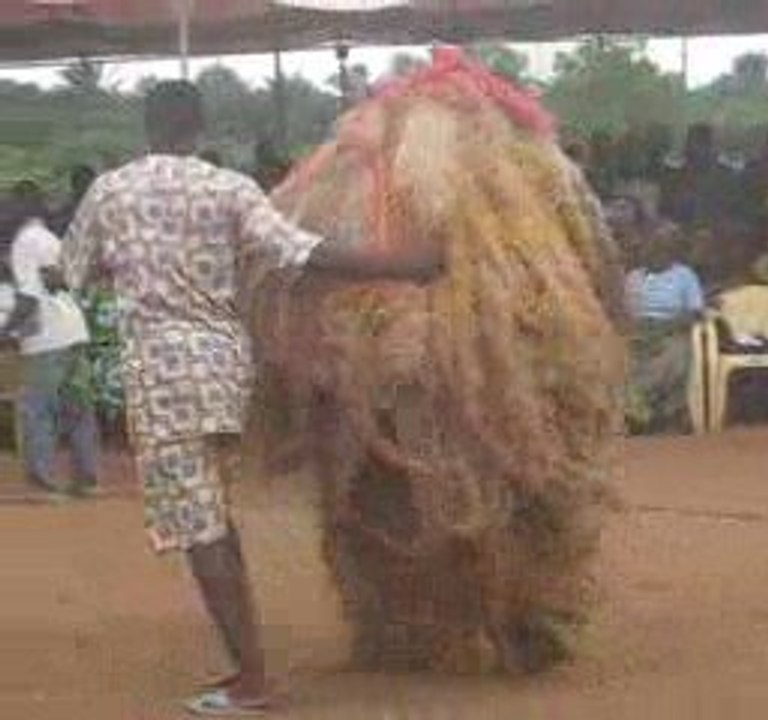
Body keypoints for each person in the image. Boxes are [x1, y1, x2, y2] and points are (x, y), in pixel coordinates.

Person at [62, 80, 444, 716]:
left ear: (148, 126)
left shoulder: (111, 191)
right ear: (199, 127)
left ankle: (252, 679)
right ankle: (248, 666)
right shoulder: (229, 187)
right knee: (214, 516)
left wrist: (137, 269)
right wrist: (404, 265)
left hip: (161, 374)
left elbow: (77, 272)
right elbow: (306, 255)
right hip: (224, 366)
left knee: (199, 526)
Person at [9, 181, 99, 497]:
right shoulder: (49, 238)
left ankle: (41, 481)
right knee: (77, 408)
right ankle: (86, 479)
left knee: (37, 409)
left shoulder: (23, 242)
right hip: (74, 331)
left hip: (46, 339)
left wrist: (6, 331)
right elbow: (63, 280)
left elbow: (29, 298)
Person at [623, 221, 705, 433]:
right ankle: (637, 411)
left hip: (671, 329)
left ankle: (651, 412)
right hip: (637, 331)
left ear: (672, 251)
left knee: (676, 355)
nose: (657, 250)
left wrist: (664, 327)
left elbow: (695, 312)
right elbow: (623, 313)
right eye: (652, 245)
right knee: (618, 357)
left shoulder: (685, 275)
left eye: (663, 246)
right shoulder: (633, 277)